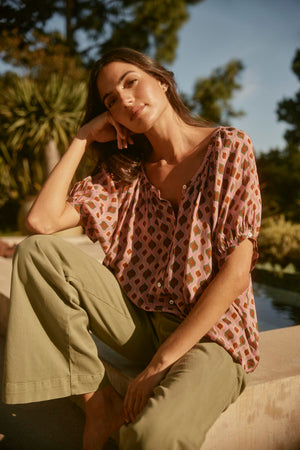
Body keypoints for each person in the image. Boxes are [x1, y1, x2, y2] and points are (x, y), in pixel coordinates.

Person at [2, 48, 262, 450]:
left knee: (152, 435)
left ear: (161, 80)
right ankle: (97, 401)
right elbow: (42, 223)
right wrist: (82, 137)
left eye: (130, 81)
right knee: (36, 253)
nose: (123, 99)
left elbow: (237, 272)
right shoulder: (126, 175)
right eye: (110, 100)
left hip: (215, 333)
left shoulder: (228, 148)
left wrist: (160, 364)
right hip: (144, 324)